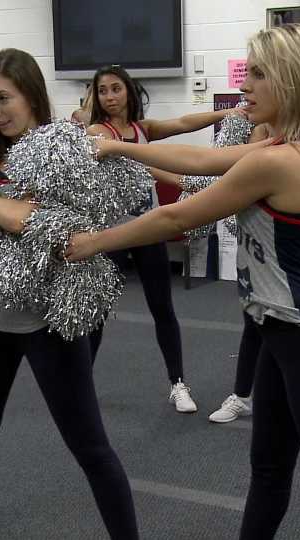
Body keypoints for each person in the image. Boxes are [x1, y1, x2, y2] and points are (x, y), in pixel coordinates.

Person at [65, 24, 300, 539]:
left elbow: (175, 219)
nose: (244, 85)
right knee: (269, 473)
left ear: (290, 83)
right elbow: (202, 160)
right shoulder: (284, 145)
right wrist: (121, 150)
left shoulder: (279, 160)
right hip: (282, 336)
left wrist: (92, 242)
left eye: (257, 74)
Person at [0, 48, 138, 540]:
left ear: (32, 96)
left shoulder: (62, 154)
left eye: (4, 98)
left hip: (48, 325)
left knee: (90, 446)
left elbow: (42, 225)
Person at [86, 64, 243, 413]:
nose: (110, 97)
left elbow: (184, 124)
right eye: (102, 91)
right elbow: (129, 161)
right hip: (113, 234)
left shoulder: (143, 129)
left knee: (163, 309)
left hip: (150, 228)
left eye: (116, 89)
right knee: (97, 312)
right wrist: (177, 177)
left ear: (129, 91)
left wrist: (228, 111)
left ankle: (178, 384)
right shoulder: (97, 130)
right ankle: (79, 387)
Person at [206, 123, 273, 424]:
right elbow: (198, 164)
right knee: (253, 327)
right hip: (252, 259)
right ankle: (243, 396)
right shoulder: (254, 141)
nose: (247, 87)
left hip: (285, 272)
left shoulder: (294, 155)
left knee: (291, 337)